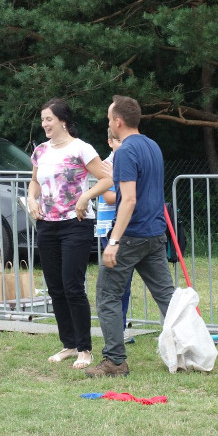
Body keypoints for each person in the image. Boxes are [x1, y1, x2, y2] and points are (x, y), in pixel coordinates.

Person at [86, 95, 175, 378]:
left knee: (107, 296)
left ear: (118, 121)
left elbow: (129, 199)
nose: (108, 123)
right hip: (155, 234)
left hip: (131, 236)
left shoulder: (125, 151)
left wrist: (114, 241)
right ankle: (189, 350)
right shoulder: (152, 146)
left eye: (109, 118)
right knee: (168, 298)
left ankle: (115, 361)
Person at [27, 98, 113, 369]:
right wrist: (31, 199)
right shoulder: (40, 150)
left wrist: (85, 197)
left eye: (49, 119)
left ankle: (85, 349)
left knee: (72, 286)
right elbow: (34, 181)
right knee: (55, 287)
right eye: (42, 119)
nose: (44, 124)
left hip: (76, 224)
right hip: (46, 225)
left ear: (63, 121)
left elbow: (107, 179)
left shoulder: (81, 148)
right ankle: (69, 344)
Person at [94, 128, 133, 340]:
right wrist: (128, 191)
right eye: (117, 141)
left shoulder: (129, 162)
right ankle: (116, 329)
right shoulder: (105, 165)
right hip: (108, 229)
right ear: (109, 142)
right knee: (116, 281)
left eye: (123, 140)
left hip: (126, 227)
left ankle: (121, 326)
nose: (121, 145)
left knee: (125, 281)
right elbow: (109, 197)